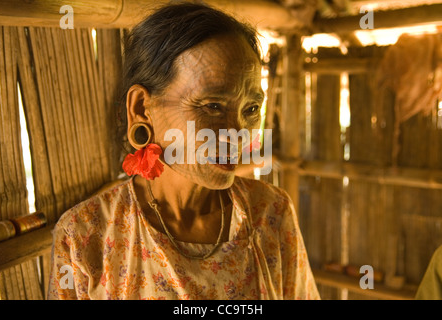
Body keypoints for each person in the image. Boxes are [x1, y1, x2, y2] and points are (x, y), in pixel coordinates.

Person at [47, 2, 319, 300]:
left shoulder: (270, 214)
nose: (239, 134)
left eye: (251, 109)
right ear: (141, 108)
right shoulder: (86, 235)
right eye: (213, 106)